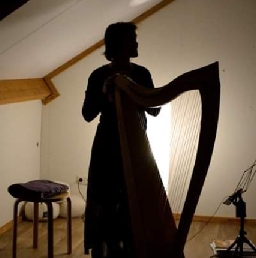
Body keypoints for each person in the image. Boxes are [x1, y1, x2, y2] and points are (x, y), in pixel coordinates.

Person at [82, 22, 160, 258]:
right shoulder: (98, 75)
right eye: (132, 39)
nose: (136, 43)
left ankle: (133, 247)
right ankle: (107, 248)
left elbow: (155, 110)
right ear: (119, 44)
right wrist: (105, 93)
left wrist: (136, 92)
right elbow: (87, 114)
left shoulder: (142, 73)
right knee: (105, 205)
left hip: (137, 149)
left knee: (133, 203)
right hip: (106, 147)